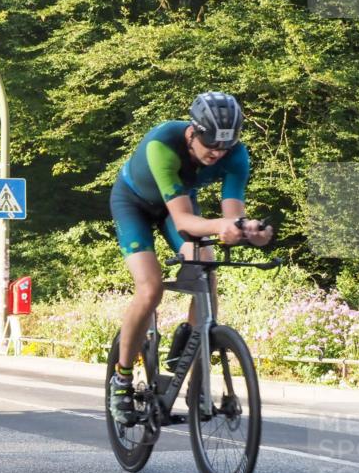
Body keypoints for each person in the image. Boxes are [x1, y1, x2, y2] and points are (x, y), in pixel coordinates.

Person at [108, 92, 273, 423]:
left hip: (177, 206)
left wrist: (250, 232)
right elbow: (184, 222)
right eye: (210, 144)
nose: (217, 153)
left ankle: (192, 367)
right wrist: (226, 225)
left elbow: (232, 217)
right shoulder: (162, 144)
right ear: (192, 132)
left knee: (206, 269)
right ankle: (122, 379)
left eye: (224, 147)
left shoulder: (236, 156)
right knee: (150, 288)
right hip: (134, 206)